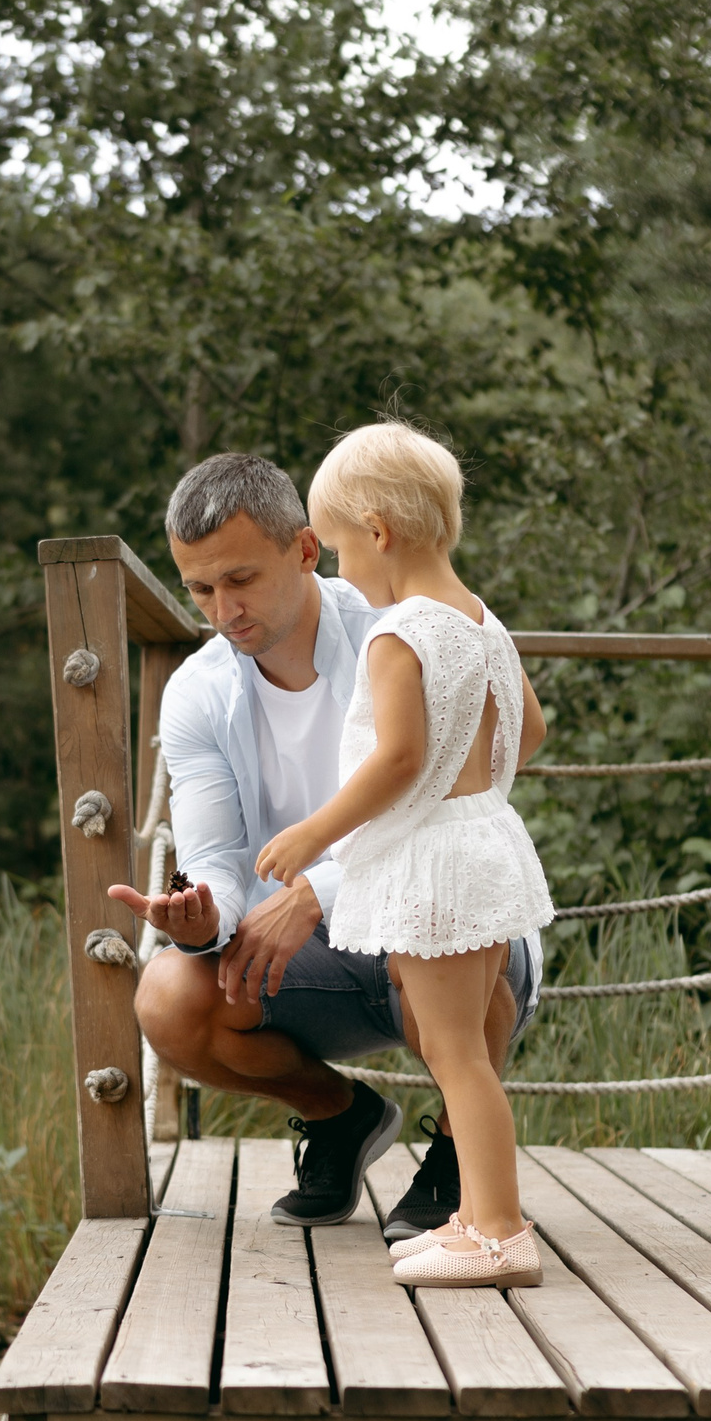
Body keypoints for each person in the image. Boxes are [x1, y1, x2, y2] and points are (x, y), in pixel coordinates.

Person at [107, 451, 542, 1231]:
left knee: (460, 960)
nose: (222, 609)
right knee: (168, 996)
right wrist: (203, 919)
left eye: (240, 579)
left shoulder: (401, 620)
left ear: (307, 548)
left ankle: (466, 1179)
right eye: (200, 589)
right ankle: (341, 1117)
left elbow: (467, 761)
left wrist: (320, 884)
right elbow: (217, 858)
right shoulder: (196, 691)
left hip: (435, 906)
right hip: (309, 955)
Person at [253, 421, 555, 1286]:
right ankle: (475, 1216)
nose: (342, 572)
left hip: (438, 864)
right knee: (468, 1046)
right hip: (483, 845)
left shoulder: (399, 632)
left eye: (340, 550)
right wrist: (476, 789)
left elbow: (397, 759)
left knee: (456, 1055)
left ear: (378, 531)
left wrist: (315, 833)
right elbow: (530, 727)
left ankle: (500, 1235)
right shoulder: (482, 622)